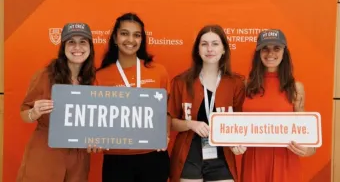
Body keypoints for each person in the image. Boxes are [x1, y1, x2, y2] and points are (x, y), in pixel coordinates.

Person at [92, 12, 171, 182]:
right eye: (124, 33)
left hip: (153, 156)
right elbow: (95, 117)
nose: (131, 40)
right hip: (117, 158)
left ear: (142, 40)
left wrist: (165, 134)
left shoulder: (158, 72)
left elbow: (166, 112)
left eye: (137, 35)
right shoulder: (100, 76)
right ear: (115, 38)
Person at [16, 23, 96, 182]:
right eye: (71, 42)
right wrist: (34, 112)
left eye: (83, 42)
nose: (77, 47)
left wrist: (96, 139)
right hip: (46, 152)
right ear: (63, 47)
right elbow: (24, 113)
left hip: (78, 157)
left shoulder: (93, 81)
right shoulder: (45, 76)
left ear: (90, 47)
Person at [168, 25, 246, 182]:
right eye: (204, 44)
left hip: (222, 157)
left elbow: (241, 122)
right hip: (189, 155)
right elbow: (171, 122)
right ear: (198, 49)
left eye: (215, 44)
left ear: (224, 49)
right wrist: (191, 124)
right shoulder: (181, 82)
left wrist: (239, 142)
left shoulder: (236, 83)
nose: (210, 49)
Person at [240, 29, 316, 182]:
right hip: (253, 160)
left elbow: (307, 137)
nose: (270, 54)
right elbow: (232, 128)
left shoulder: (296, 88)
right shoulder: (245, 86)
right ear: (258, 53)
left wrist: (308, 149)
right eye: (265, 49)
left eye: (276, 48)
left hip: (285, 160)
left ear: (284, 52)